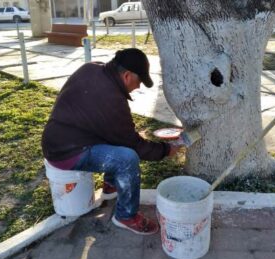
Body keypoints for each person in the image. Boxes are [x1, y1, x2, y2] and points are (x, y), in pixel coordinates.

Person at [42, 48, 180, 235]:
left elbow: (116, 132)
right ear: (127, 76)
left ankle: (111, 185)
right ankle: (126, 216)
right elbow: (134, 146)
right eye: (139, 81)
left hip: (57, 139)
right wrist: (165, 150)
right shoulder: (112, 99)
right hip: (66, 153)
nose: (138, 87)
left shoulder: (91, 68)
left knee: (118, 138)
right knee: (127, 158)